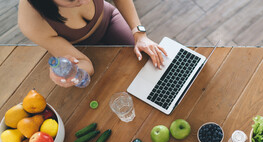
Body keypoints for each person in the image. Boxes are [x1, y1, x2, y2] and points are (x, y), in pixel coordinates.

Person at [18, 0, 167, 86]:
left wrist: (139, 34)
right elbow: (85, 64)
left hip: (109, 19)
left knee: (148, 63)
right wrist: (73, 74)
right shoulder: (32, 22)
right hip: (79, 49)